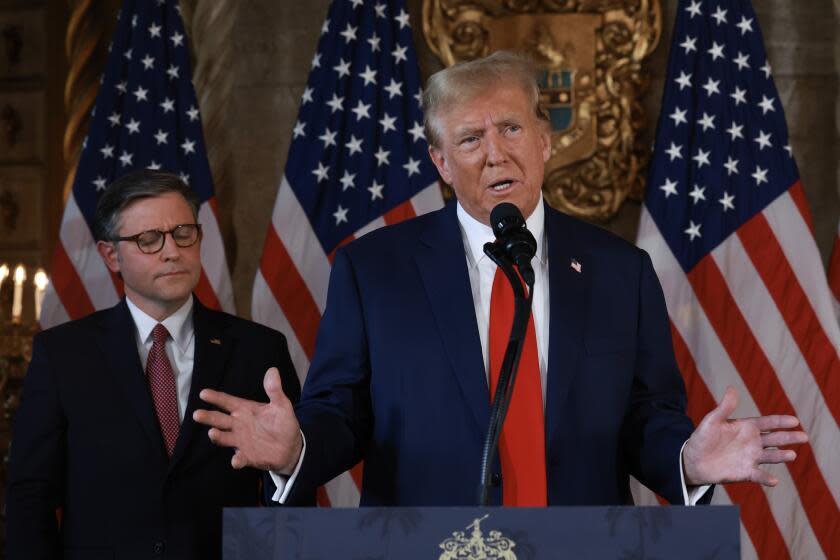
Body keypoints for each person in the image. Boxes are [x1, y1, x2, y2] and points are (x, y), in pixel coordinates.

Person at [194, 52, 807, 507]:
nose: (495, 153)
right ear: (440, 162)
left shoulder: (621, 270)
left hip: (581, 547)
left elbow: (647, 416)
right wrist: (296, 448)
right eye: (469, 139)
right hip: (426, 545)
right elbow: (343, 412)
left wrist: (686, 460)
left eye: (511, 129)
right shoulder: (372, 270)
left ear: (543, 140)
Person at [6, 170, 301, 559]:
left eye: (183, 233)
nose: (172, 251)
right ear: (110, 255)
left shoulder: (259, 349)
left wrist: (290, 462)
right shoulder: (63, 355)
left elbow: (295, 497)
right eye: (148, 240)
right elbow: (31, 499)